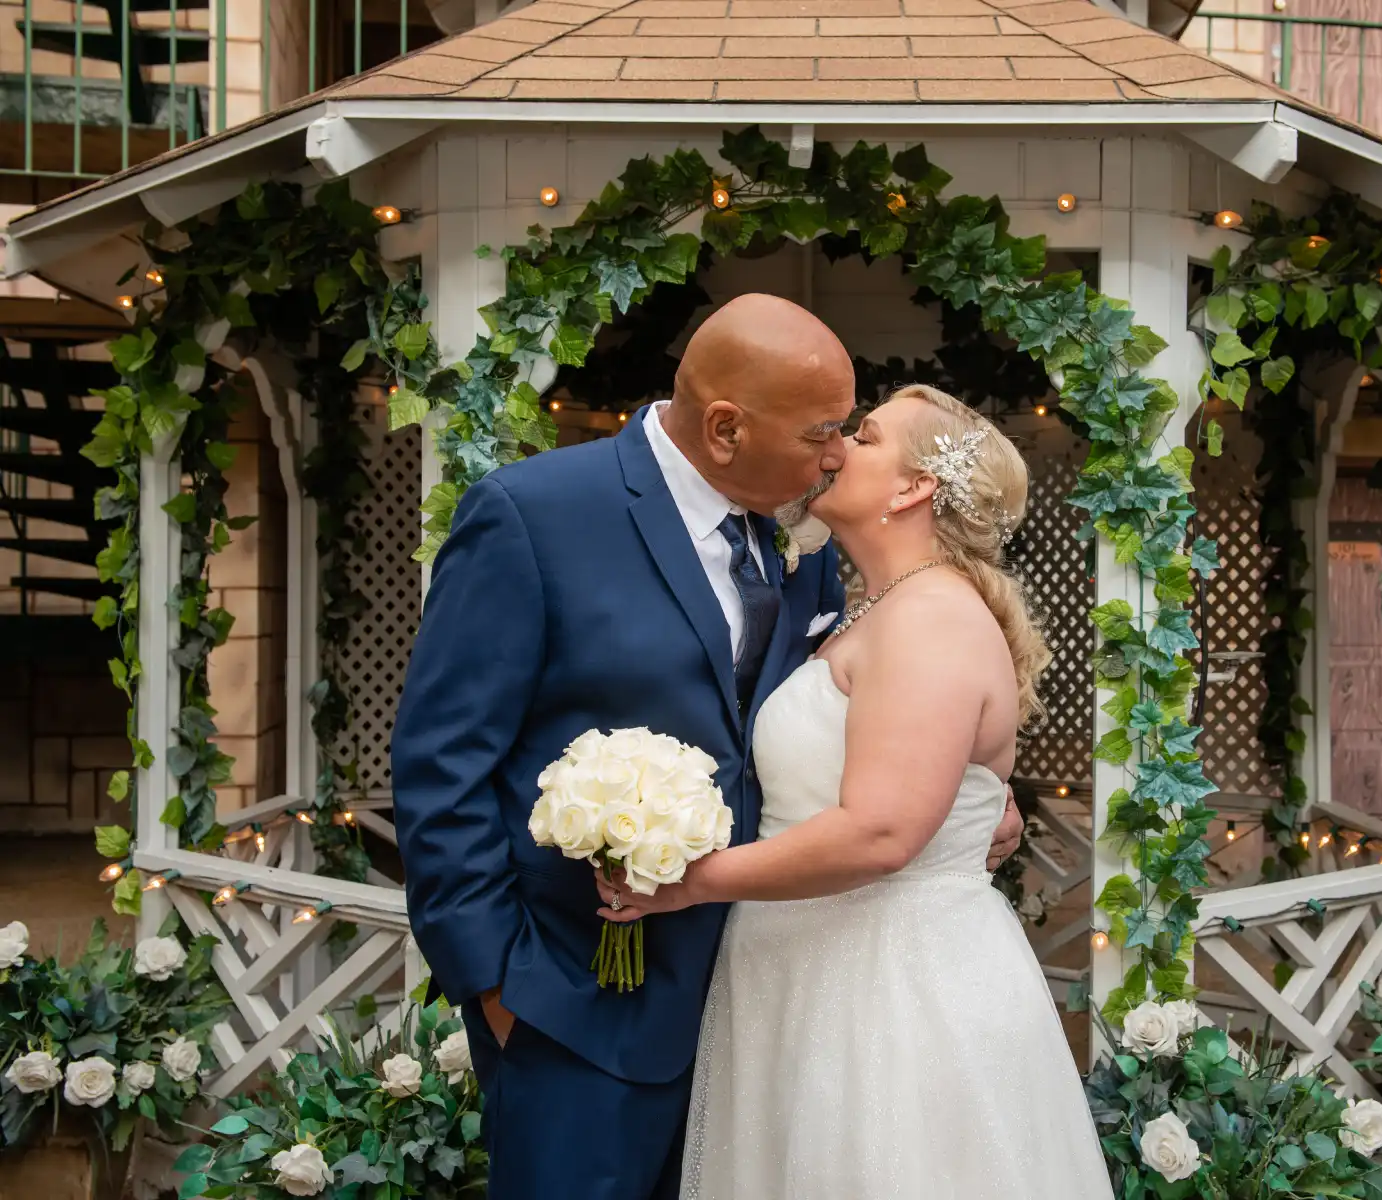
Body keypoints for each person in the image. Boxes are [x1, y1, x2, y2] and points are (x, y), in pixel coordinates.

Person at [391, 298, 1024, 1200]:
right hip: (577, 1005)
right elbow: (440, 761)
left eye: (854, 433)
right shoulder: (536, 516)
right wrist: (494, 985)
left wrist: (974, 796)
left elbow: (870, 731)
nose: (837, 452)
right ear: (726, 428)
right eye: (823, 433)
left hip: (766, 1015)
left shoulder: (800, 554)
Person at [599, 385, 1113, 1200]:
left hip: (892, 995)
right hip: (806, 974)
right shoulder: (867, 609)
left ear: (914, 489)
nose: (836, 447)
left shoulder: (932, 617)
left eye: (865, 437)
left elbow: (880, 833)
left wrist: (690, 883)